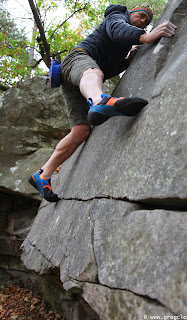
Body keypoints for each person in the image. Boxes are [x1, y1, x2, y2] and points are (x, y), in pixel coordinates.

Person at [29, 3, 177, 202]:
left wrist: (126, 61)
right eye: (141, 16)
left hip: (75, 82)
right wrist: (146, 36)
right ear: (131, 12)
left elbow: (111, 66)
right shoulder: (117, 16)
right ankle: (99, 101)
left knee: (81, 131)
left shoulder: (124, 43)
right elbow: (118, 30)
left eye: (146, 22)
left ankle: (43, 174)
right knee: (94, 72)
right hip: (78, 60)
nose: (142, 22)